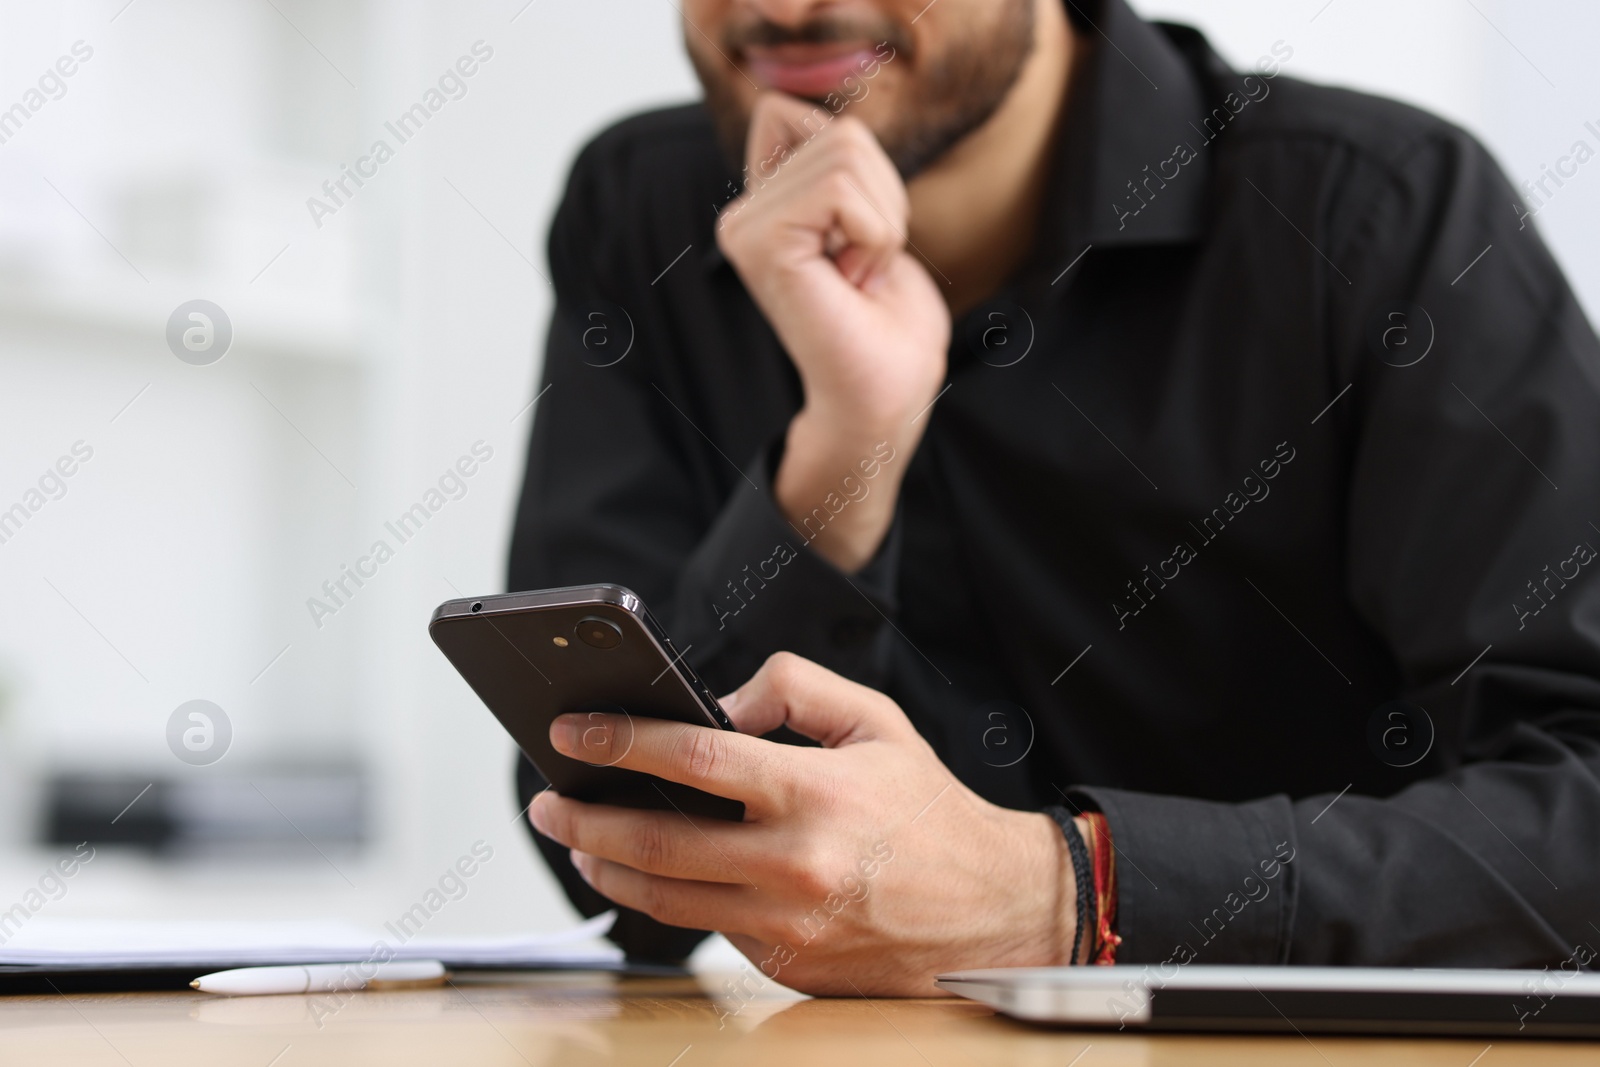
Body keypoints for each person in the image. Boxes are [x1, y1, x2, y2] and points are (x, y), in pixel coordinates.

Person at [509, 0, 1600, 995]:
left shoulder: (1379, 211)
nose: (783, 11)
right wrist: (844, 450)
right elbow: (607, 842)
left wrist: (1068, 893)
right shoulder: (638, 212)